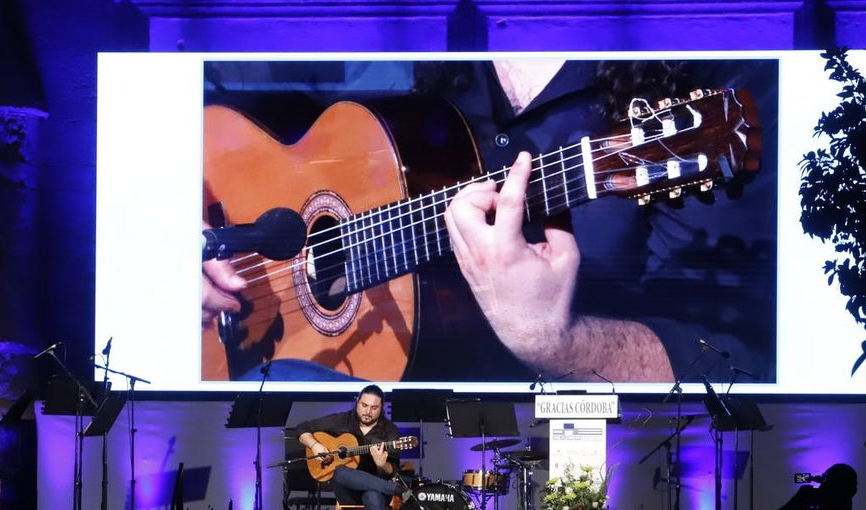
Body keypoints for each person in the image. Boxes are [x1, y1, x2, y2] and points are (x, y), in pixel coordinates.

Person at [201, 57, 777, 384]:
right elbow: (227, 166)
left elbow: (745, 364)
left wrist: (558, 342)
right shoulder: (426, 52)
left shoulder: (713, 66)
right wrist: (197, 249)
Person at [292, 384, 411, 510]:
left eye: (374, 408)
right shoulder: (343, 420)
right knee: (340, 471)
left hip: (377, 490)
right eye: (364, 405)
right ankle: (394, 489)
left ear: (381, 408)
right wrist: (315, 445)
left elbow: (392, 469)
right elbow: (302, 429)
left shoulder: (390, 431)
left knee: (373, 495)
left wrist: (382, 465)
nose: (368, 411)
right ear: (357, 403)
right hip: (348, 491)